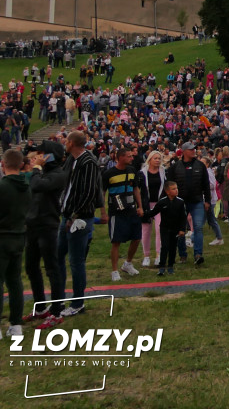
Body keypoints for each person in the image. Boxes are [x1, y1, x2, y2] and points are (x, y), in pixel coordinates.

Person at [55, 130, 103, 320]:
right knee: (58, 256)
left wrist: (76, 215)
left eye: (66, 141)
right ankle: (59, 299)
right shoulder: (71, 160)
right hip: (67, 215)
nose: (64, 143)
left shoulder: (88, 162)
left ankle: (77, 302)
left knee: (76, 261)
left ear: (73, 142)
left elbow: (90, 191)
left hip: (79, 218)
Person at [24, 141, 68, 325]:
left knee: (52, 269)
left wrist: (35, 168)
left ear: (50, 155)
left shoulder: (58, 174)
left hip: (48, 226)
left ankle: (57, 312)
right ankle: (41, 307)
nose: (38, 156)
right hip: (32, 225)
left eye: (42, 153)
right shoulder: (43, 173)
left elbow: (37, 185)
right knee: (31, 267)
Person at [0, 148, 31, 339]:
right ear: (21, 164)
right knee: (15, 281)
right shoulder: (26, 186)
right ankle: (16, 323)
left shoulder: (3, 187)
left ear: (3, 164)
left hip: (2, 237)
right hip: (19, 236)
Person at [102, 147, 145, 281]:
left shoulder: (132, 171)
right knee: (116, 241)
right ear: (120, 157)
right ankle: (114, 270)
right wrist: (103, 212)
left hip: (132, 209)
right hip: (116, 212)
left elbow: (136, 189)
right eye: (129, 156)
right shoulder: (108, 173)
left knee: (137, 238)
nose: (132, 158)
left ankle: (128, 263)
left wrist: (140, 206)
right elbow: (102, 193)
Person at [166, 142, 211, 267]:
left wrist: (207, 200)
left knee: (198, 227)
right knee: (180, 229)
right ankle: (182, 254)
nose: (194, 151)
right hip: (180, 202)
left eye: (194, 149)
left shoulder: (200, 166)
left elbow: (206, 184)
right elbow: (169, 184)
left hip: (196, 200)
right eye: (191, 149)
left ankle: (198, 254)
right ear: (184, 151)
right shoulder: (175, 167)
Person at [146, 181, 188, 275]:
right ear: (167, 191)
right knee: (164, 246)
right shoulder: (162, 202)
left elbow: (183, 217)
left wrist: (182, 229)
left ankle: (170, 266)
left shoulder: (180, 202)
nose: (176, 190)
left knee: (173, 247)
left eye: (176, 188)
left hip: (175, 228)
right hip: (164, 228)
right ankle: (162, 267)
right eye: (173, 189)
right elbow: (153, 212)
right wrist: (143, 214)